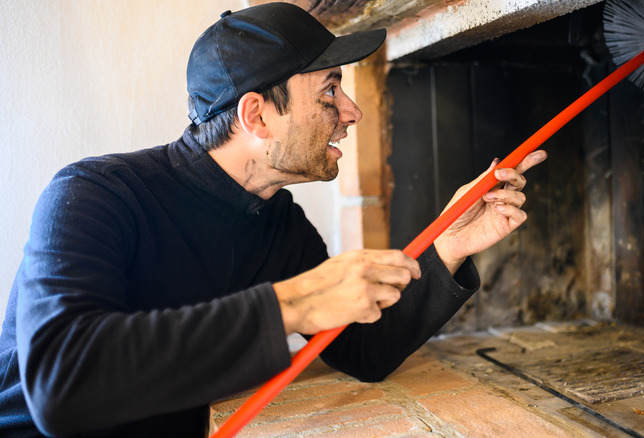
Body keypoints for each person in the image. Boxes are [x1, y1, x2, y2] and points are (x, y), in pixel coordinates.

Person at [0, 3, 547, 437]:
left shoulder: (278, 223)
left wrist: (448, 245)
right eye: (330, 89)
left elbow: (361, 349)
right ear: (256, 115)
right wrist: (296, 301)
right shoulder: (93, 195)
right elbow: (60, 386)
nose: (350, 111)